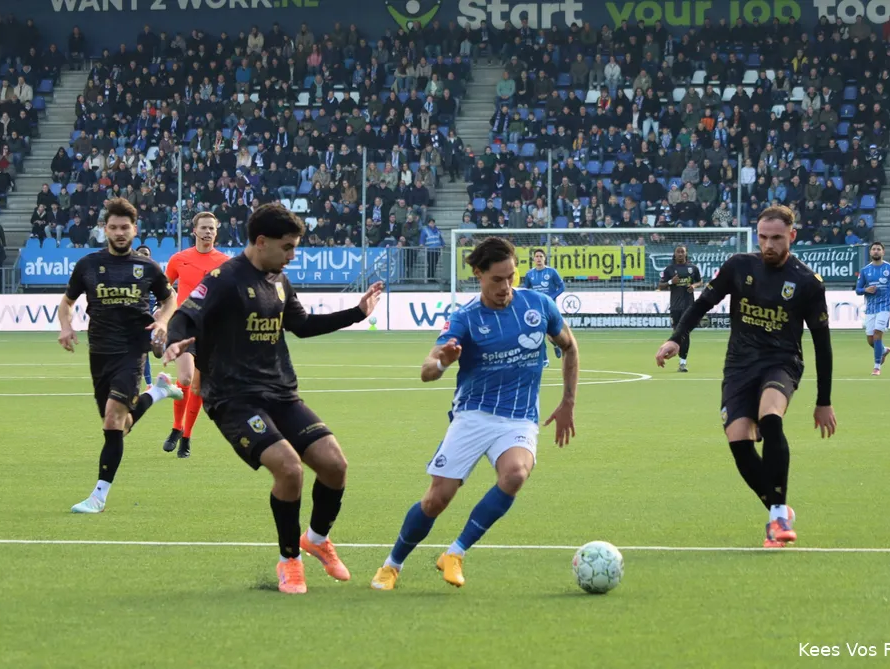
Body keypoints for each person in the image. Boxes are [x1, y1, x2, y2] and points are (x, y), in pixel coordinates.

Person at [163, 203, 384, 595]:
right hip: (233, 399)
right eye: (288, 247)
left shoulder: (279, 280)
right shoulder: (225, 279)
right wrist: (175, 340)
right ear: (261, 241)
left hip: (280, 392)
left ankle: (316, 539)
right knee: (289, 469)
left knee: (335, 465)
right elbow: (184, 315)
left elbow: (302, 325)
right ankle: (289, 561)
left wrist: (356, 313)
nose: (292, 255)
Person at [370, 236, 579, 591]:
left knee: (515, 474)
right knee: (437, 499)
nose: (505, 287)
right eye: (497, 279)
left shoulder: (539, 305)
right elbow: (427, 369)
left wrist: (568, 402)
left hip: (519, 416)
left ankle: (455, 552)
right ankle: (392, 565)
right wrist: (442, 362)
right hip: (473, 414)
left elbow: (570, 347)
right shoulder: (465, 317)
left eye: (511, 277)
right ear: (478, 275)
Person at [655, 206, 837, 549]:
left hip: (781, 362)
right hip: (739, 365)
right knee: (739, 440)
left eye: (777, 238)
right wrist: (676, 338)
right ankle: (778, 508)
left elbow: (822, 345)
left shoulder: (807, 283)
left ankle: (778, 517)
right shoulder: (739, 266)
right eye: (763, 237)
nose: (768, 245)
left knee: (770, 417)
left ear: (792, 236)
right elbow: (702, 303)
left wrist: (823, 401)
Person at [58, 198, 184, 514]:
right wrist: (66, 326)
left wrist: (162, 321)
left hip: (132, 349)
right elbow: (67, 302)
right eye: (113, 227)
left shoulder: (148, 268)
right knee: (120, 425)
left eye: (124, 227)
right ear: (105, 229)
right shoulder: (87, 265)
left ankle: (98, 497)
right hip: (99, 352)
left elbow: (170, 299)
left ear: (134, 230)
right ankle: (158, 392)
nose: (119, 232)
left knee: (114, 418)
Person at [161, 213, 231, 458]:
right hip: (184, 327)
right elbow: (164, 287)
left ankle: (186, 437)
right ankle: (176, 427)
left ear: (216, 232)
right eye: (204, 228)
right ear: (195, 231)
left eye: (212, 228)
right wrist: (163, 312)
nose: (208, 232)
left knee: (198, 387)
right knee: (186, 378)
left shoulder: (225, 262)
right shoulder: (179, 259)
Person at [855, 241, 890, 376]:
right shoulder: (865, 271)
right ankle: (883, 350)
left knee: (877, 333)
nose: (876, 251)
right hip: (870, 308)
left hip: (885, 306)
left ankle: (877, 367)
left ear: (883, 252)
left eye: (878, 249)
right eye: (873, 249)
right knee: (870, 339)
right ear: (870, 252)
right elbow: (858, 290)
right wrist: (866, 290)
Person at [657, 245, 703, 372]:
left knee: (685, 333)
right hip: (675, 307)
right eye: (678, 252)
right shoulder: (669, 269)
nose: (680, 254)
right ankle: (674, 351)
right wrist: (671, 282)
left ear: (686, 253)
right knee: (677, 333)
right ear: (675, 254)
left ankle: (683, 363)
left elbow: (700, 281)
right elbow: (660, 286)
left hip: (689, 306)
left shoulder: (693, 268)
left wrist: (694, 286)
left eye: (682, 252)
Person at [522, 248, 567, 358]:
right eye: (536, 256)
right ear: (533, 259)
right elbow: (525, 290)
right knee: (538, 332)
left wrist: (552, 297)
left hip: (549, 307)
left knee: (551, 334)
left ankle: (555, 345)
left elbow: (562, 287)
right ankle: (544, 357)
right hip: (536, 308)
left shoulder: (552, 272)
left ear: (544, 258)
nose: (539, 259)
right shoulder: (529, 274)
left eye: (541, 256)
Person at [136, 244, 156, 389]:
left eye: (146, 254)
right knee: (143, 352)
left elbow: (169, 296)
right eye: (141, 253)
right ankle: (149, 384)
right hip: (140, 322)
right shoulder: (130, 277)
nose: (144, 256)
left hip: (156, 321)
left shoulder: (156, 275)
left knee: (164, 348)